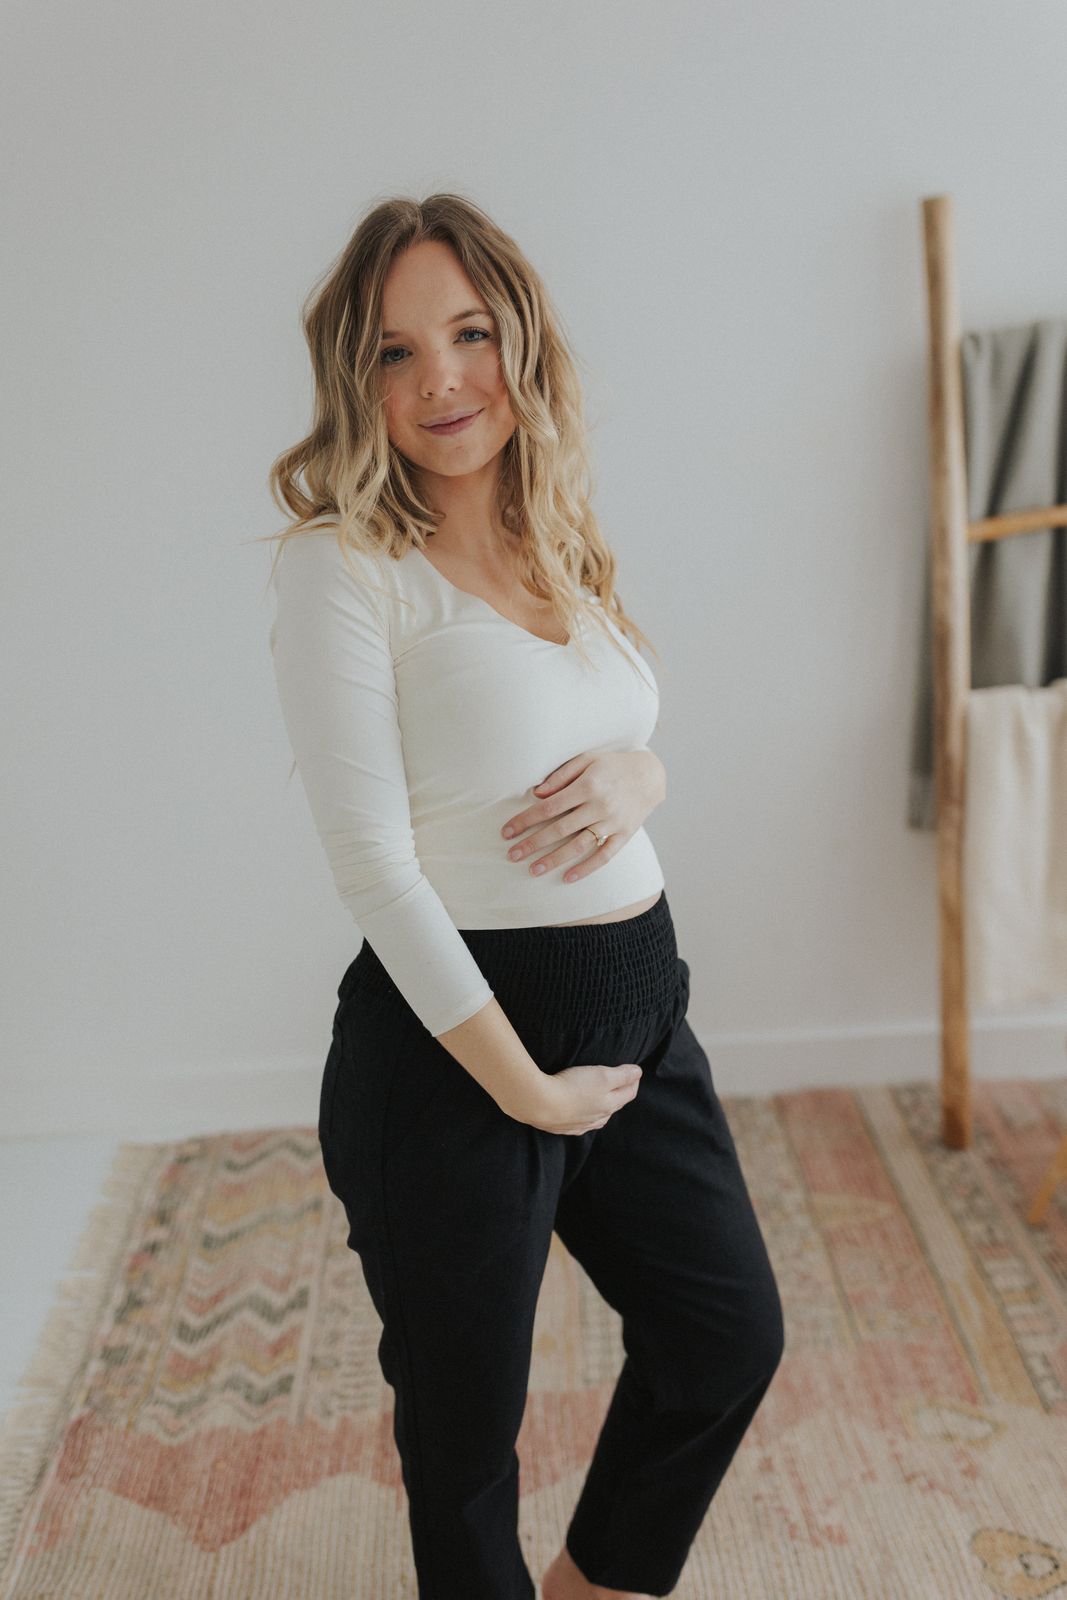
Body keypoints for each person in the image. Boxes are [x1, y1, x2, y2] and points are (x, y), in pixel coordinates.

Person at [265, 193, 784, 1600]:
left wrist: (646, 780)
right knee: (466, 1445)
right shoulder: (343, 570)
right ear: (354, 381)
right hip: (452, 1067)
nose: (440, 378)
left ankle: (599, 1587)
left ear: (521, 341)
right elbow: (372, 861)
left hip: (640, 1036)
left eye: (470, 332)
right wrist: (526, 1090)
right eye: (393, 352)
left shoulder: (559, 533)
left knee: (723, 1336)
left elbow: (611, 733)